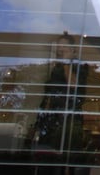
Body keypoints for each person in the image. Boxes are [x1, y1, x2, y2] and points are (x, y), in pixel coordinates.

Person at [32, 32, 89, 172]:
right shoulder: (55, 67)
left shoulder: (79, 65)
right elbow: (48, 95)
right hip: (49, 119)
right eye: (59, 46)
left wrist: (66, 63)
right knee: (46, 160)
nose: (60, 49)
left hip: (68, 119)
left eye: (64, 46)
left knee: (64, 159)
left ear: (73, 50)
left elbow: (74, 85)